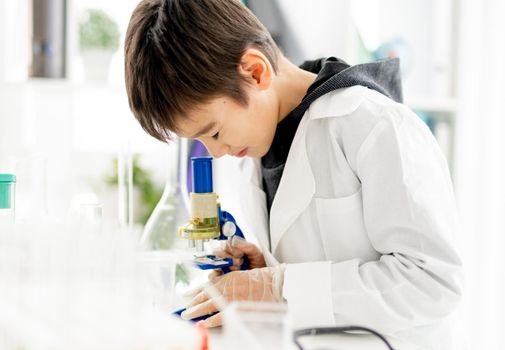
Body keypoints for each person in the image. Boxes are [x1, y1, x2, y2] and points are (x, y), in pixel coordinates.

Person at [124, 0, 463, 348]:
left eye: (213, 132)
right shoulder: (256, 147)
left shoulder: (372, 124)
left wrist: (277, 287)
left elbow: (431, 282)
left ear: (256, 72)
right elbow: (316, 269)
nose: (215, 152)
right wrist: (262, 272)